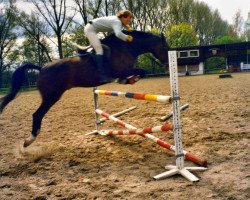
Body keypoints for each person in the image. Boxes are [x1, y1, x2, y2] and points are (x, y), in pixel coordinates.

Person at [84, 10, 134, 83]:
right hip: (90, 30)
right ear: (122, 17)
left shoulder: (117, 20)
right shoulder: (117, 22)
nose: (129, 20)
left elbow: (122, 24)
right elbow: (118, 34)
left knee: (106, 49)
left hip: (92, 28)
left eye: (130, 19)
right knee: (99, 51)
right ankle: (102, 76)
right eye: (128, 19)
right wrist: (127, 37)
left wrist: (127, 27)